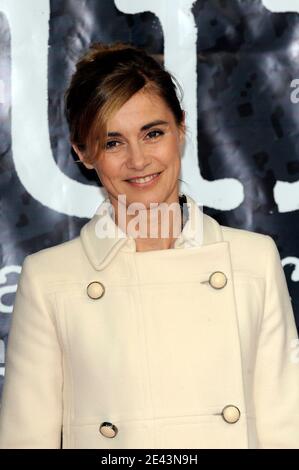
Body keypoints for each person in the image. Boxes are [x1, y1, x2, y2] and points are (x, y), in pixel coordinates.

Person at [0, 42, 299, 449]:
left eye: (152, 133)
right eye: (113, 142)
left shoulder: (252, 260)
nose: (138, 160)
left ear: (181, 129)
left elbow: (285, 427)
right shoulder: (50, 279)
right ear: (83, 154)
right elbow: (27, 439)